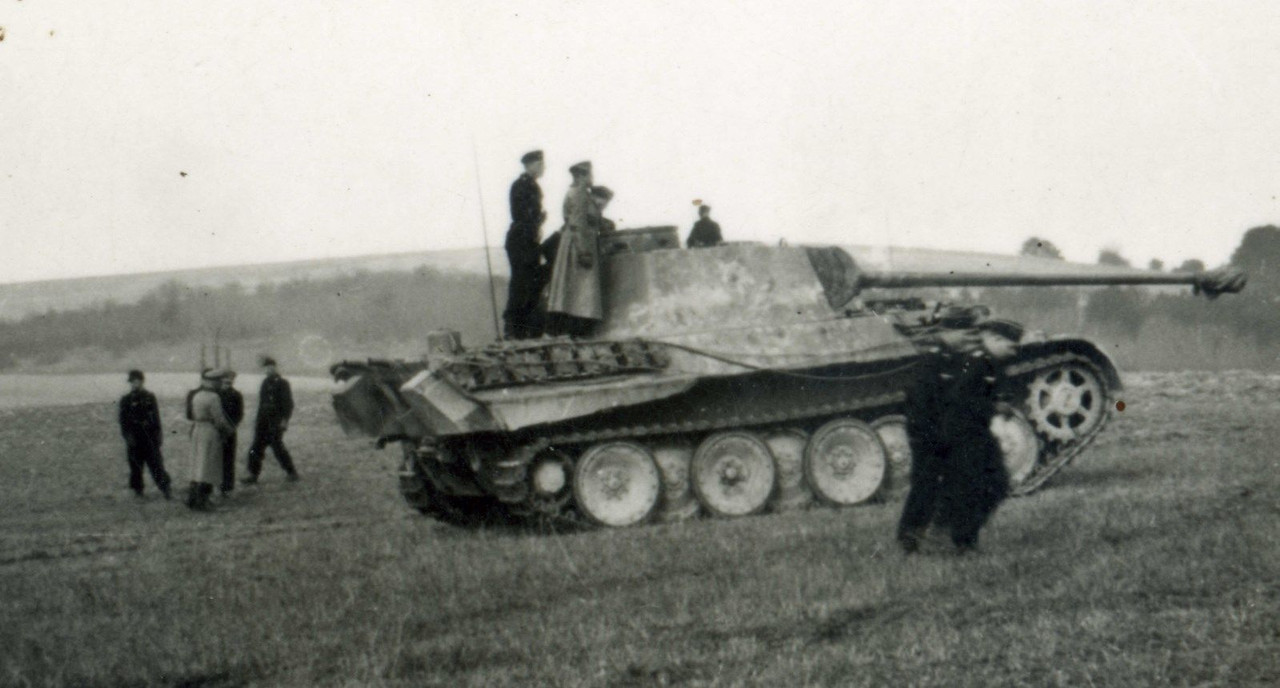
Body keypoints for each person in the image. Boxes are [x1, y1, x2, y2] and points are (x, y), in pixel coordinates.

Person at [896, 326, 1017, 554]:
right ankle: (927, 537)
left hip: (955, 432)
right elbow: (948, 399)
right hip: (935, 432)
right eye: (963, 331)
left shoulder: (967, 359)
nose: (969, 337)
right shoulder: (937, 358)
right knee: (934, 485)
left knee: (976, 484)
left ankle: (949, 536)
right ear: (945, 331)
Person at [545, 161, 605, 337]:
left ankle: (568, 329)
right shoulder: (579, 193)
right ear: (581, 176)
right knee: (581, 289)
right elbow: (578, 223)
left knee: (572, 288)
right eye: (588, 175)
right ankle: (577, 330)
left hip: (574, 241)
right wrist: (583, 251)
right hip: (580, 243)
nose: (591, 178)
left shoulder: (575, 192)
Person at [502, 149, 548, 339]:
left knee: (531, 282)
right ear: (530, 166)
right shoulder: (521, 185)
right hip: (521, 239)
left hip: (529, 239)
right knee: (521, 283)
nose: (543, 168)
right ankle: (514, 328)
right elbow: (520, 214)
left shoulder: (532, 186)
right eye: (539, 164)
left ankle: (524, 327)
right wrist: (537, 220)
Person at [117, 370, 172, 500]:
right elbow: (123, 422)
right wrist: (128, 437)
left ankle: (166, 489)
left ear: (142, 381)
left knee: (156, 464)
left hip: (149, 436)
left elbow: (156, 418)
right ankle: (138, 490)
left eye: (137, 381)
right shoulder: (126, 400)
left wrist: (158, 435)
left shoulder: (150, 397)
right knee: (135, 466)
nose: (135, 384)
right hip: (135, 437)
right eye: (132, 382)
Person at [243, 356, 298, 484]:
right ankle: (252, 475)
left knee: (277, 447)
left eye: (271, 367)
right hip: (263, 421)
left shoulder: (283, 383)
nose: (268, 369)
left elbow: (288, 404)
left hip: (275, 421)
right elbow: (262, 403)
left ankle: (291, 472)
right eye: (266, 368)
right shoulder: (264, 382)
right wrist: (257, 420)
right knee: (255, 447)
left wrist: (284, 420)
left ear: (275, 367)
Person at [188, 368, 233, 510]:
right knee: (208, 466)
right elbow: (219, 420)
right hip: (209, 431)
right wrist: (228, 430)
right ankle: (203, 500)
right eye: (219, 381)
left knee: (197, 465)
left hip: (197, 430)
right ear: (214, 383)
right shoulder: (214, 398)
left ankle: (193, 498)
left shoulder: (197, 395)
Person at [217, 370, 245, 497]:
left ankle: (227, 487)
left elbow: (239, 414)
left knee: (228, 459)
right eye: (225, 381)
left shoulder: (236, 395)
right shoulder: (215, 394)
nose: (227, 384)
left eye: (230, 381)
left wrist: (232, 427)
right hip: (216, 430)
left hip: (230, 430)